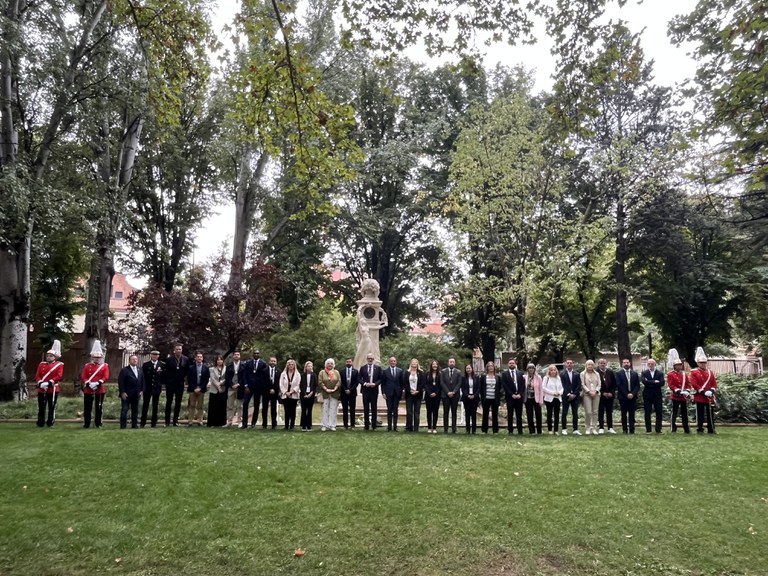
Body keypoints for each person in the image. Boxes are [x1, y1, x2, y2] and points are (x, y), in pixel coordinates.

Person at [81, 340, 110, 428]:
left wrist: (99, 383)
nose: (97, 359)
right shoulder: (87, 366)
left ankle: (98, 423)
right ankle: (87, 423)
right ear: (92, 357)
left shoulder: (104, 366)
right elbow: (83, 376)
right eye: (95, 357)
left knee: (99, 407)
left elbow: (106, 376)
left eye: (98, 357)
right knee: (87, 408)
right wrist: (88, 383)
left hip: (99, 389)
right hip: (88, 388)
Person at [35, 340, 63, 428]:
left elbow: (59, 376)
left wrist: (49, 382)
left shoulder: (59, 365)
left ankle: (50, 421)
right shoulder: (41, 364)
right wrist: (40, 382)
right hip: (42, 387)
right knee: (41, 406)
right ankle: (40, 421)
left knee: (51, 406)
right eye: (47, 356)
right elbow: (38, 375)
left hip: (52, 388)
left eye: (51, 356)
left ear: (55, 357)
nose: (48, 357)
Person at [690, 346, 717, 434]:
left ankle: (711, 428)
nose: (703, 364)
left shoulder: (710, 372)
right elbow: (694, 384)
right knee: (700, 413)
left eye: (704, 363)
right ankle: (700, 428)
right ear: (698, 363)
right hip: (700, 395)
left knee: (710, 413)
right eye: (701, 363)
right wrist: (703, 391)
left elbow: (714, 383)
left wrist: (712, 391)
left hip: (709, 396)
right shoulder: (694, 372)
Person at [164, 343, 189, 427]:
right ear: (174, 350)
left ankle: (175, 421)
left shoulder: (186, 359)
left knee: (178, 403)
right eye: (177, 349)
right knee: (169, 402)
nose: (178, 350)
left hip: (180, 384)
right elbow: (165, 372)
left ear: (182, 350)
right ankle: (167, 421)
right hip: (170, 384)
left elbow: (186, 371)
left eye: (180, 349)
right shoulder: (169, 359)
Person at [666, 349, 691, 434]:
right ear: (674, 366)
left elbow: (688, 383)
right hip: (675, 396)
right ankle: (673, 428)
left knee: (684, 413)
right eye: (677, 365)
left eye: (680, 365)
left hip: (683, 396)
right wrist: (677, 390)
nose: (679, 366)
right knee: (674, 412)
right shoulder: (670, 374)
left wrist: (687, 390)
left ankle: (686, 428)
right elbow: (671, 384)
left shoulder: (684, 374)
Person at [242, 349, 268, 428]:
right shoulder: (248, 363)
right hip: (248, 387)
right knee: (245, 403)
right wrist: (246, 385)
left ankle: (253, 423)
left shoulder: (263, 364)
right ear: (252, 355)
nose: (256, 354)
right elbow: (244, 375)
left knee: (256, 405)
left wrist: (261, 387)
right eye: (255, 353)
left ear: (259, 354)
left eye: (257, 353)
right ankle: (244, 423)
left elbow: (264, 376)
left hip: (258, 388)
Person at [118, 353, 144, 429]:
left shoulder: (140, 369)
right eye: (133, 359)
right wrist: (122, 392)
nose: (135, 360)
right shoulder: (124, 370)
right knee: (124, 410)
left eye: (136, 359)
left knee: (135, 410)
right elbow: (121, 382)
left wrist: (142, 390)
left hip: (136, 393)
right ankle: (123, 425)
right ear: (129, 361)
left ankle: (134, 424)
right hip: (127, 393)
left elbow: (142, 380)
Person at [140, 350, 165, 428]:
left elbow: (163, 376)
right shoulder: (146, 365)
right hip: (148, 388)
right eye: (153, 355)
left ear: (158, 356)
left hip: (156, 388)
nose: (155, 356)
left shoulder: (162, 364)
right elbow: (142, 376)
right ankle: (142, 422)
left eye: (156, 355)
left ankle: (154, 422)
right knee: (145, 405)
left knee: (155, 405)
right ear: (151, 355)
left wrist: (161, 385)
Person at [615, 358, 640, 434]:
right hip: (623, 397)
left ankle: (632, 429)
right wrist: (627, 394)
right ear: (622, 364)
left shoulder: (634, 374)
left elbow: (637, 385)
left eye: (627, 362)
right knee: (624, 414)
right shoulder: (619, 373)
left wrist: (632, 393)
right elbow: (619, 385)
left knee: (632, 414)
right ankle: (625, 429)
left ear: (630, 363)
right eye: (624, 362)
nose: (626, 364)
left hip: (633, 397)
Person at [501, 358, 525, 435]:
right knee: (510, 414)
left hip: (519, 397)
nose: (511, 364)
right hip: (510, 397)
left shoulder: (520, 373)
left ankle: (520, 430)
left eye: (513, 363)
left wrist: (519, 394)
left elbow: (522, 385)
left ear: (515, 364)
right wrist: (512, 394)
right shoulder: (505, 374)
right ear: (508, 364)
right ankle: (510, 430)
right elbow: (505, 386)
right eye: (510, 363)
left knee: (519, 415)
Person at [358, 353, 382, 430]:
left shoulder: (378, 368)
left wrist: (375, 384)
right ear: (367, 359)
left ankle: (374, 426)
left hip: (374, 390)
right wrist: (365, 384)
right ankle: (366, 426)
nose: (370, 359)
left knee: (374, 408)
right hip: (365, 390)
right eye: (369, 358)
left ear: (373, 359)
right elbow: (359, 379)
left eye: (371, 358)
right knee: (366, 408)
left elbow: (381, 379)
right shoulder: (363, 368)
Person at [641, 358, 665, 434]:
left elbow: (662, 383)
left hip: (657, 395)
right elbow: (644, 382)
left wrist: (649, 382)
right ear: (647, 364)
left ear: (655, 364)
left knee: (659, 412)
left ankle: (658, 429)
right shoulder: (644, 373)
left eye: (652, 363)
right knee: (647, 412)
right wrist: (654, 381)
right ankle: (648, 430)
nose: (650, 365)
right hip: (647, 395)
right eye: (649, 364)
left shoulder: (660, 373)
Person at [381, 356, 403, 431]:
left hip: (397, 393)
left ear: (396, 362)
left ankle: (395, 426)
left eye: (394, 361)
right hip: (388, 393)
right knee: (389, 409)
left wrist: (401, 391)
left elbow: (401, 382)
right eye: (391, 361)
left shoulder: (400, 371)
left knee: (395, 410)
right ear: (389, 362)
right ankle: (389, 426)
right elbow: (383, 383)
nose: (393, 362)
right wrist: (383, 392)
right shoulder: (385, 371)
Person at [186, 351, 209, 425]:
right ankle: (190, 421)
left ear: (202, 358)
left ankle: (200, 421)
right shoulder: (191, 367)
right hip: (193, 389)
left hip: (201, 389)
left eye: (200, 357)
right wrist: (194, 388)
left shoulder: (206, 367)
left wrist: (200, 388)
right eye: (198, 357)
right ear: (195, 358)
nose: (199, 358)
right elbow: (189, 379)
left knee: (200, 406)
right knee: (192, 405)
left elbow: (206, 379)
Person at [560, 359, 582, 435]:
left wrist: (574, 394)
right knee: (564, 412)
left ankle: (575, 429)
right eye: (568, 363)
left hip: (575, 396)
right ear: (565, 364)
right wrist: (568, 394)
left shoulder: (576, 374)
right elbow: (562, 385)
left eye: (571, 363)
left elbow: (578, 385)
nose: (569, 364)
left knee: (575, 413)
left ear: (573, 364)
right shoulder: (562, 374)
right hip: (566, 396)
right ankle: (564, 428)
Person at [441, 357, 462, 433]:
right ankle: (445, 428)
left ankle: (454, 428)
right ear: (448, 363)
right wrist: (447, 392)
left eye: (453, 362)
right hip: (445, 395)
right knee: (445, 412)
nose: (452, 363)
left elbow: (459, 383)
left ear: (455, 363)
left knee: (454, 412)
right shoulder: (443, 372)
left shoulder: (458, 372)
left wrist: (453, 392)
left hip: (455, 395)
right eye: (450, 362)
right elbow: (442, 383)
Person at [319, 358, 341, 431]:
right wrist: (326, 389)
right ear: (326, 364)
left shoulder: (336, 372)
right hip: (325, 393)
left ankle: (332, 425)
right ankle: (324, 425)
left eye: (331, 363)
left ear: (333, 365)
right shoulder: (322, 372)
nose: (330, 365)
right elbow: (320, 382)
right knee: (325, 409)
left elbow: (339, 381)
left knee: (333, 409)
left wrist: (335, 388)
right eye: (328, 363)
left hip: (334, 393)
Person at [224, 350, 245, 427]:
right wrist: (232, 384)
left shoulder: (243, 365)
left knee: (240, 405)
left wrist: (239, 384)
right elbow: (227, 377)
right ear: (233, 356)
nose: (236, 356)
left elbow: (244, 376)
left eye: (238, 354)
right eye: (235, 354)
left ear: (240, 356)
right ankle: (229, 421)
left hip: (240, 387)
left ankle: (240, 421)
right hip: (231, 387)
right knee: (230, 405)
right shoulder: (229, 365)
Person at [596, 358, 617, 434]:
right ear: (598, 364)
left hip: (610, 395)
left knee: (609, 411)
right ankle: (601, 427)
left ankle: (610, 427)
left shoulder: (610, 372)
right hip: (600, 395)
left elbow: (614, 384)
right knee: (601, 411)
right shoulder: (596, 372)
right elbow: (595, 385)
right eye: (601, 363)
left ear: (606, 364)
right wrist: (602, 393)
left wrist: (611, 392)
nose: (602, 364)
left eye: (604, 363)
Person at [479, 361, 501, 434]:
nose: (491, 367)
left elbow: (500, 388)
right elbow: (481, 388)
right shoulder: (483, 377)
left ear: (494, 367)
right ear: (487, 368)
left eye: (492, 366)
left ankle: (495, 430)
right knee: (485, 414)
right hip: (486, 398)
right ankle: (484, 430)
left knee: (495, 414)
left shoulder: (498, 377)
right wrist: (481, 399)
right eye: (489, 366)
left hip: (495, 398)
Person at [404, 358, 425, 432]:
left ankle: (416, 428)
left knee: (417, 412)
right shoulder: (407, 372)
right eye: (413, 362)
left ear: (417, 364)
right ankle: (408, 428)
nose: (414, 363)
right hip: (409, 394)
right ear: (411, 363)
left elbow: (422, 383)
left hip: (418, 395)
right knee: (409, 412)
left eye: (415, 362)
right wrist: (410, 390)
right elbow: (405, 383)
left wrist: (417, 391)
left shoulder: (421, 372)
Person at [207, 355, 228, 427]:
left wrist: (221, 383)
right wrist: (217, 386)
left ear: (223, 361)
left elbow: (226, 377)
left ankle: (221, 423)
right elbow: (212, 378)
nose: (219, 361)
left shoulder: (226, 368)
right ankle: (212, 423)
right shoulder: (212, 369)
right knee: (213, 406)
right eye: (218, 360)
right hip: (214, 390)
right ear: (216, 361)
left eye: (221, 360)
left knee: (222, 406)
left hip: (223, 389)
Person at [280, 359, 301, 430]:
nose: (291, 366)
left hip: (294, 395)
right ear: (287, 365)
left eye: (292, 364)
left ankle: (292, 425)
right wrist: (286, 392)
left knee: (293, 411)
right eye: (289, 364)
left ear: (294, 365)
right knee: (286, 411)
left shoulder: (297, 374)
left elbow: (299, 384)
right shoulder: (283, 374)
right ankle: (286, 425)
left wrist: (291, 392)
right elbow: (281, 384)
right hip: (285, 395)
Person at [581, 360, 601, 435]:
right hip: (587, 394)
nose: (590, 366)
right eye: (588, 364)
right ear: (586, 365)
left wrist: (596, 391)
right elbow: (582, 384)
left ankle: (594, 428)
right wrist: (589, 391)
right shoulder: (583, 374)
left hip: (596, 394)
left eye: (591, 365)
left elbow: (599, 384)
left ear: (593, 366)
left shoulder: (597, 374)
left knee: (595, 412)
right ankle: (588, 427)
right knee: (588, 412)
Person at [542, 364, 563, 434]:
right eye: (551, 370)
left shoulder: (558, 378)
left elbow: (562, 388)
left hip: (557, 398)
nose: (553, 371)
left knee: (557, 414)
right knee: (549, 414)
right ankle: (550, 429)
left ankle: (556, 430)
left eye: (554, 370)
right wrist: (552, 393)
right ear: (549, 371)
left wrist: (559, 393)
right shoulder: (546, 378)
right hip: (549, 398)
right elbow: (543, 388)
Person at [523, 363, 543, 435]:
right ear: (527, 369)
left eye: (532, 368)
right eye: (529, 368)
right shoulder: (524, 377)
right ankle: (532, 431)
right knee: (529, 415)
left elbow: (541, 389)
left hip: (536, 398)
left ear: (534, 369)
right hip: (528, 399)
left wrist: (541, 401)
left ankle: (539, 430)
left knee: (538, 415)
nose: (531, 369)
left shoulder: (538, 377)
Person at [340, 357, 359, 429]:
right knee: (345, 409)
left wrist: (350, 390)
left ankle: (352, 425)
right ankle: (345, 425)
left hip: (352, 393)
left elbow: (356, 382)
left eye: (350, 362)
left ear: (352, 362)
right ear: (345, 363)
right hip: (344, 393)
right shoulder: (342, 371)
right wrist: (345, 389)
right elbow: (340, 382)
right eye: (347, 362)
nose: (348, 363)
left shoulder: (356, 371)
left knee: (352, 409)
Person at [460, 363, 480, 434]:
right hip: (466, 398)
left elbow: (478, 388)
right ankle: (467, 429)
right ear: (465, 370)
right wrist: (467, 395)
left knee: (474, 414)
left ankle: (474, 430)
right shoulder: (463, 378)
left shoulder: (477, 377)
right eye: (467, 368)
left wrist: (474, 395)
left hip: (475, 398)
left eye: (469, 368)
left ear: (472, 369)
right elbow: (463, 388)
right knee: (467, 413)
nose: (468, 370)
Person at [424, 360, 441, 434]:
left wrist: (436, 393)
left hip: (437, 396)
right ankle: (429, 427)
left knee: (435, 411)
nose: (435, 365)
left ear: (437, 366)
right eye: (433, 364)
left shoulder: (440, 374)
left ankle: (434, 427)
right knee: (429, 411)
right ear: (431, 365)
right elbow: (425, 384)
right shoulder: (427, 374)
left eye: (436, 364)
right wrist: (430, 393)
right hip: (428, 395)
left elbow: (441, 385)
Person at [299, 361, 317, 430]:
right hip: (303, 395)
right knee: (303, 410)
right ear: (306, 367)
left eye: (311, 366)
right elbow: (301, 385)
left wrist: (311, 393)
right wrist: (304, 394)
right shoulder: (302, 375)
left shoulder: (314, 375)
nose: (310, 367)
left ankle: (309, 426)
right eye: (308, 366)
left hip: (311, 395)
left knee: (309, 410)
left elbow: (315, 385)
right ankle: (303, 426)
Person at [266, 356, 280, 429]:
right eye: (271, 361)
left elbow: (278, 383)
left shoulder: (279, 371)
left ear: (276, 362)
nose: (273, 362)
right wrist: (269, 389)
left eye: (274, 361)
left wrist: (274, 389)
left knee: (274, 409)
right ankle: (264, 424)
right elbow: (263, 382)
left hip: (275, 393)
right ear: (269, 362)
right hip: (266, 392)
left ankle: (274, 424)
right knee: (265, 409)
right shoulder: (264, 370)